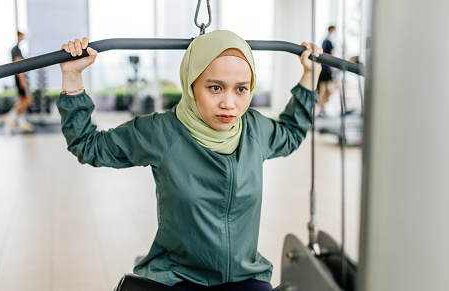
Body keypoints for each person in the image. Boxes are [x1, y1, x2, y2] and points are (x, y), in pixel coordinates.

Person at [57, 30, 322, 291]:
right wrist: (72, 77)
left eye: (241, 89)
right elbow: (88, 145)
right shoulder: (162, 133)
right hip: (177, 277)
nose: (229, 103)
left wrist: (310, 76)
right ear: (191, 83)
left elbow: (291, 133)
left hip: (245, 277)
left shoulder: (255, 130)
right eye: (215, 87)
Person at [4, 31, 34, 132]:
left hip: (18, 78)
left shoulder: (16, 49)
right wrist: (23, 80)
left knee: (21, 100)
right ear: (19, 36)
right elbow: (18, 65)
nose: (24, 37)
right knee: (28, 100)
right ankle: (11, 116)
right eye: (22, 36)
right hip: (20, 78)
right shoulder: (16, 50)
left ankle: (21, 122)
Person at [317, 25, 336, 117]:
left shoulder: (325, 41)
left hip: (325, 68)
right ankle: (321, 108)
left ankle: (322, 107)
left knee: (329, 88)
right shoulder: (328, 41)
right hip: (326, 69)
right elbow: (332, 54)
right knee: (323, 89)